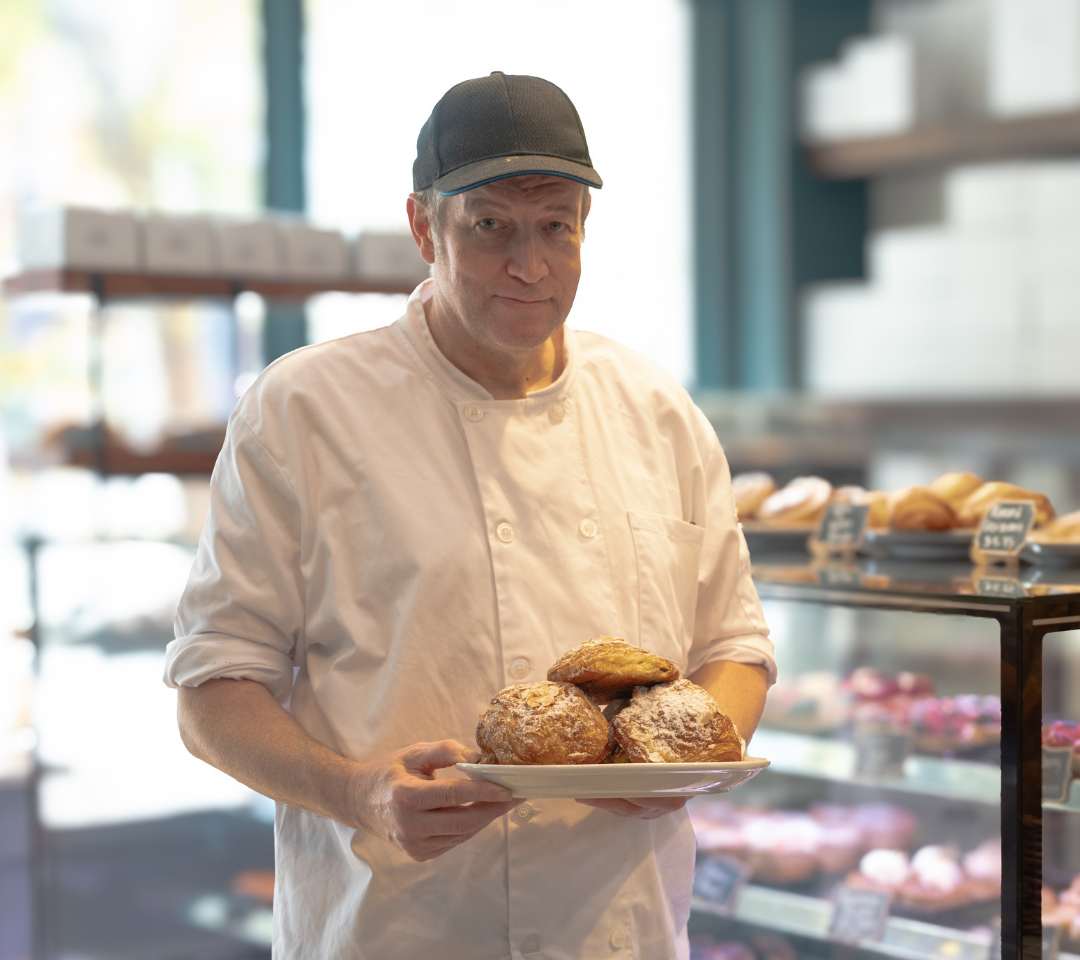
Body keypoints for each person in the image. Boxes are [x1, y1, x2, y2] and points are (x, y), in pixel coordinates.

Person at [166, 71, 774, 960]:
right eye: (491, 226)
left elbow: (736, 649)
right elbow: (213, 690)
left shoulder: (655, 409)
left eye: (555, 227)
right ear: (424, 228)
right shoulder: (305, 408)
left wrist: (682, 764)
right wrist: (359, 793)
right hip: (396, 926)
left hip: (619, 930)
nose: (530, 265)